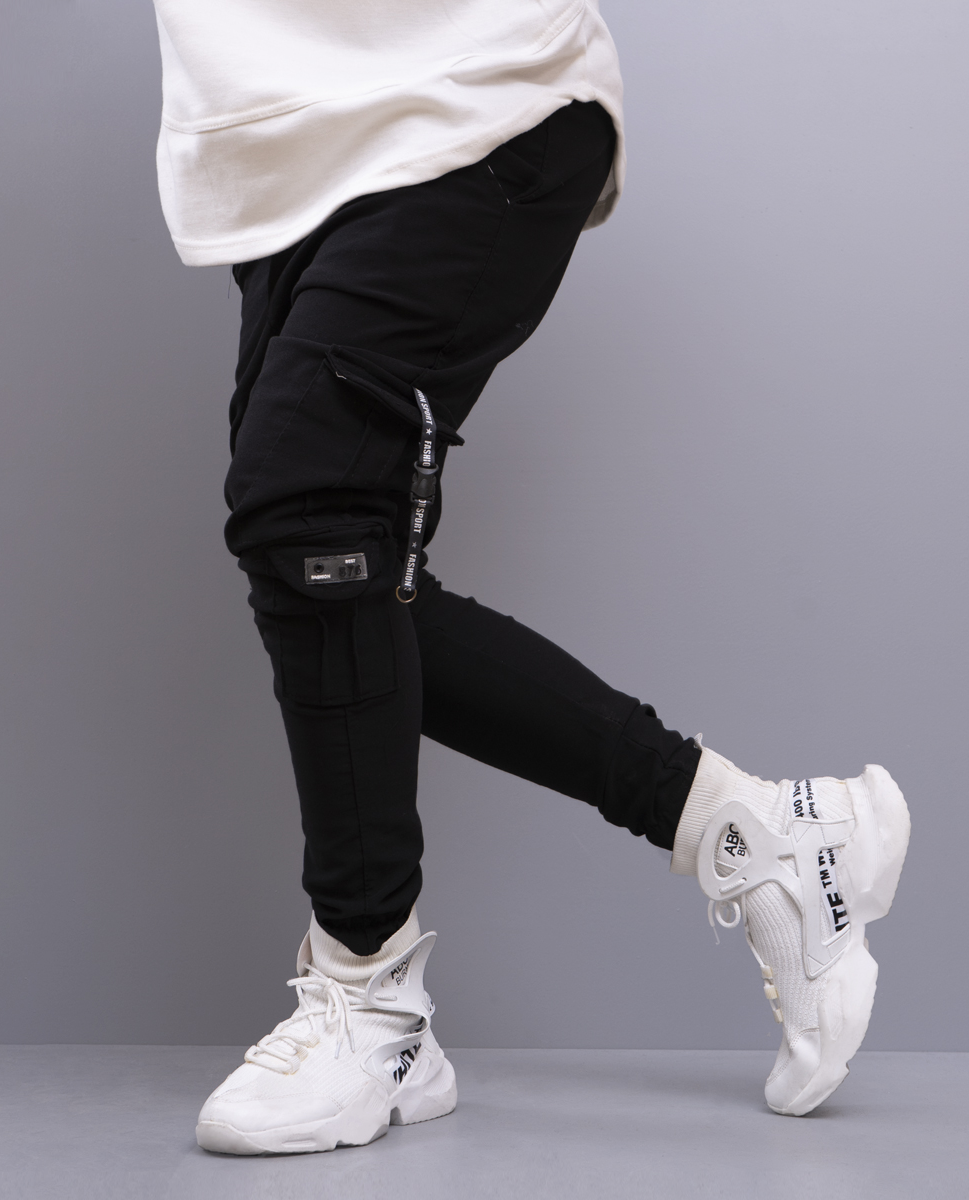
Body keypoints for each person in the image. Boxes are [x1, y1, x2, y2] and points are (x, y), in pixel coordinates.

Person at [149, 0, 911, 1155]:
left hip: (466, 102)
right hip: (286, 149)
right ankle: (759, 834)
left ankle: (369, 998)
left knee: (316, 523)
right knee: (327, 574)